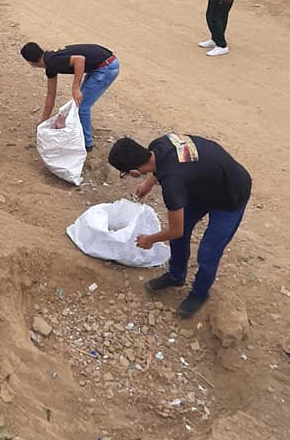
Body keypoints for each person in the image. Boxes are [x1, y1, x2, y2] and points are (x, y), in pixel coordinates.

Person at [107, 133, 251, 318]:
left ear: (135, 170)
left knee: (208, 252)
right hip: (204, 186)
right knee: (181, 233)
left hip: (232, 194)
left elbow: (176, 230)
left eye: (125, 173)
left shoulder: (172, 184)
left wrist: (149, 240)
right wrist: (149, 182)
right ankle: (176, 276)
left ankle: (199, 293)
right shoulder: (159, 144)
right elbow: (166, 165)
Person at [20, 42, 120, 152]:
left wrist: (75, 88)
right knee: (79, 103)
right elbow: (51, 94)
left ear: (30, 62)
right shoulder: (50, 63)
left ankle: (87, 144)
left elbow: (79, 60)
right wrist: (43, 120)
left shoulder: (53, 61)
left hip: (106, 67)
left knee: (82, 106)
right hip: (101, 64)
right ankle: (83, 134)